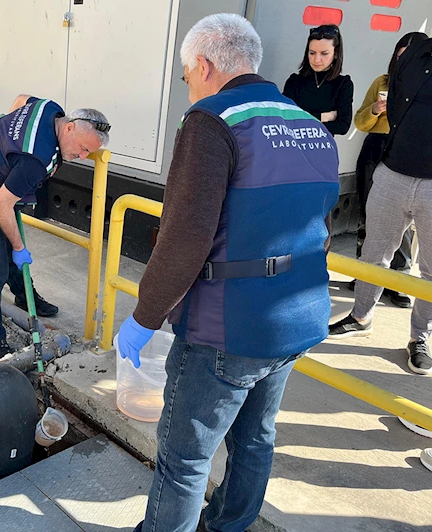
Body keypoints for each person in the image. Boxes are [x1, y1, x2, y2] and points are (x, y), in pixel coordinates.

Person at [118, 14, 340, 532]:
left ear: (203, 64)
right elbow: (320, 224)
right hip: (296, 317)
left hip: (225, 328)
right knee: (256, 439)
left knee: (186, 460)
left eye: (186, 76)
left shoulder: (212, 120)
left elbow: (184, 237)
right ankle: (228, 526)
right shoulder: (309, 125)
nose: (189, 88)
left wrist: (145, 317)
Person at [0, 96, 109, 360]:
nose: (82, 157)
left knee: (7, 253)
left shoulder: (49, 108)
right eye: (82, 148)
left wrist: (7, 148)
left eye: (88, 154)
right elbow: (2, 205)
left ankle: (25, 297)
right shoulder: (36, 160)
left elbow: (21, 100)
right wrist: (19, 246)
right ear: (69, 128)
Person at [328, 34, 432, 377]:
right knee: (374, 254)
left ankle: (420, 338)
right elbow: (371, 119)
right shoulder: (412, 61)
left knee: (430, 272)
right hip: (392, 173)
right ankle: (361, 316)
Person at [351, 32, 428, 308]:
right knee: (370, 218)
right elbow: (359, 122)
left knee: (407, 230)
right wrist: (375, 109)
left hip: (411, 160)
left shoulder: (422, 88)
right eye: (400, 55)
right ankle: (364, 282)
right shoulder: (382, 83)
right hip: (377, 149)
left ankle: (400, 280)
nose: (404, 60)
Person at [283, 24, 354, 136]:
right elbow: (286, 119)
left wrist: (303, 118)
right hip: (293, 147)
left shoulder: (343, 84)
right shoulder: (295, 81)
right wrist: (322, 117)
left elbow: (343, 126)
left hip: (322, 149)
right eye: (312, 53)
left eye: (324, 53)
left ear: (335, 54)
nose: (317, 59)